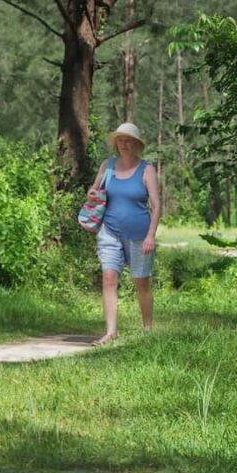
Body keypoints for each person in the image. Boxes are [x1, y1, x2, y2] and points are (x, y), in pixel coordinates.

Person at [87, 122, 160, 346]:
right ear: (116, 143)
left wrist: (150, 236)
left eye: (128, 140)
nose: (124, 144)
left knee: (141, 281)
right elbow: (95, 191)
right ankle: (111, 332)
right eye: (120, 140)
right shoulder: (107, 166)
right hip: (109, 232)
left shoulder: (146, 170)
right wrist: (91, 193)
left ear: (136, 144)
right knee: (109, 278)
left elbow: (156, 206)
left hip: (139, 235)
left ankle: (148, 329)